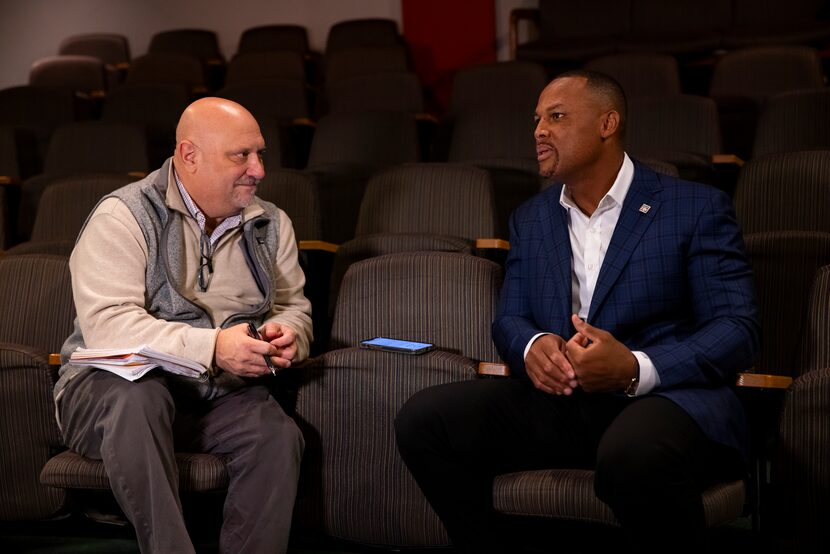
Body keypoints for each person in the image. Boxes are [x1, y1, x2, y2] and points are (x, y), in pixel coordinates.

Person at [395, 71, 760, 553]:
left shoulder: (694, 207)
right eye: (536, 120)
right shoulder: (532, 217)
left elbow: (736, 330)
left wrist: (633, 368)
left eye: (557, 116)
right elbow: (510, 319)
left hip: (668, 401)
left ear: (608, 123)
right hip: (565, 403)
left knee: (633, 452)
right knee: (425, 419)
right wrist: (532, 346)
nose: (539, 131)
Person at [54, 97, 313, 554]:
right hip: (108, 395)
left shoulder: (272, 224)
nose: (258, 169)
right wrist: (214, 346)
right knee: (141, 398)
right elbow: (109, 327)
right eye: (242, 155)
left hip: (213, 394)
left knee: (276, 436)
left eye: (260, 154)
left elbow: (293, 306)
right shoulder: (123, 215)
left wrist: (289, 334)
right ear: (190, 155)